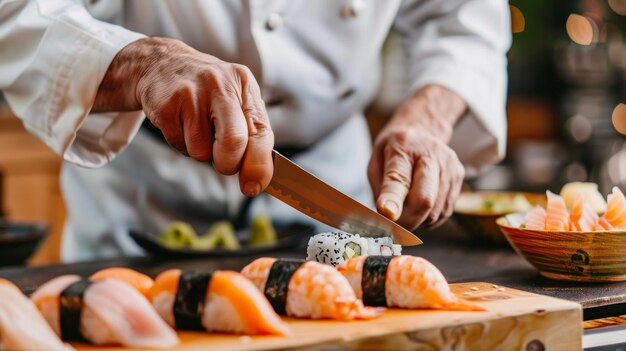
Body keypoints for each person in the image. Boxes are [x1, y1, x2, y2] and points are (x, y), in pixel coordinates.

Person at [0, 1, 510, 261]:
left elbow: (463, 16)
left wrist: (427, 117)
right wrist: (144, 64)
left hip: (335, 181)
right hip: (143, 192)